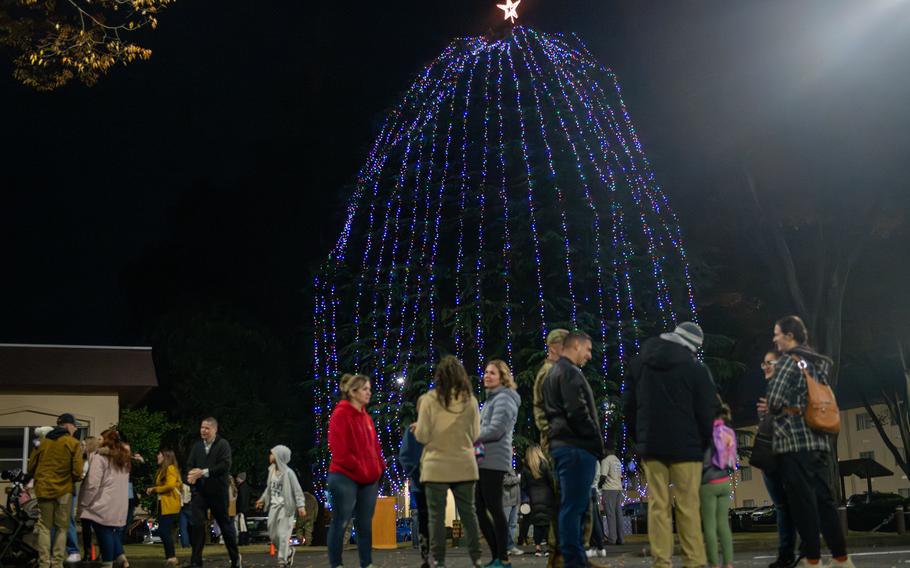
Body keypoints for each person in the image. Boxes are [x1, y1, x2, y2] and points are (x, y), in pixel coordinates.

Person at [623, 322, 717, 568]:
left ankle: (662, 562)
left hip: (652, 444)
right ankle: (693, 561)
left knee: (658, 505)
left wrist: (639, 437)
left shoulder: (640, 364)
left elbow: (629, 407)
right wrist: (704, 442)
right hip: (687, 445)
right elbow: (706, 411)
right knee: (688, 506)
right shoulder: (696, 369)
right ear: (693, 346)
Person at [766, 316, 854, 568]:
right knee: (825, 500)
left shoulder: (786, 363)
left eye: (777, 333)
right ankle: (841, 558)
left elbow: (774, 400)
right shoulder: (817, 362)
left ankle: (813, 560)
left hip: (794, 441)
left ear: (790, 336)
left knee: (802, 503)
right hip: (820, 439)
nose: (775, 338)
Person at [540, 330, 606, 568]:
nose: (589, 355)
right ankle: (574, 560)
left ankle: (575, 557)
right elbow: (577, 412)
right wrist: (596, 442)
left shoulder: (553, 374)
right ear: (576, 346)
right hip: (576, 447)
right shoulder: (568, 373)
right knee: (574, 507)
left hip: (564, 447)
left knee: (571, 506)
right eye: (587, 349)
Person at [413, 355, 484, 568]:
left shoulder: (428, 400)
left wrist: (418, 430)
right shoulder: (470, 401)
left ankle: (439, 560)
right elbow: (476, 435)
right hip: (464, 464)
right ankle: (476, 558)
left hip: (436, 466)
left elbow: (423, 436)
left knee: (436, 517)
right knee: (469, 514)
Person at [326, 373, 385, 568]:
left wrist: (378, 468)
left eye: (369, 388)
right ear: (353, 392)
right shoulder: (340, 414)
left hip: (368, 478)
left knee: (364, 524)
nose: (369, 392)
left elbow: (375, 446)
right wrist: (361, 468)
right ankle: (337, 564)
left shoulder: (366, 417)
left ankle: (366, 563)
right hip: (345, 476)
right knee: (341, 521)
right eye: (365, 389)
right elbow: (340, 450)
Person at [475, 359, 521, 567]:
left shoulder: (504, 398)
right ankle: (497, 556)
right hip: (484, 459)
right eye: (485, 372)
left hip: (494, 459)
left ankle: (502, 557)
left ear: (502, 377)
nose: (487, 375)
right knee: (481, 507)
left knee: (493, 507)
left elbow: (496, 430)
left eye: (492, 373)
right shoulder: (492, 399)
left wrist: (471, 437)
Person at [756, 349, 799, 568]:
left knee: (796, 505)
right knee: (782, 507)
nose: (766, 367)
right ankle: (786, 554)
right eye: (764, 364)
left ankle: (803, 552)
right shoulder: (769, 392)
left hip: (788, 457)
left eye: (770, 362)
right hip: (770, 459)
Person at [27, 412, 84, 568]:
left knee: (45, 527)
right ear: (67, 425)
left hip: (44, 489)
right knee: (62, 527)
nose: (75, 429)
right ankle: (57, 563)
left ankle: (44, 563)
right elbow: (78, 472)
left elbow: (31, 466)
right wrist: (71, 477)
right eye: (74, 426)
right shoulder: (73, 443)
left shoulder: (43, 443)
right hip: (64, 491)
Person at [185, 417, 242, 568]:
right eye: (202, 427)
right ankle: (196, 561)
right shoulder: (197, 447)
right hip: (200, 493)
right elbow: (190, 465)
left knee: (225, 525)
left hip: (218, 493)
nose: (203, 430)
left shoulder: (223, 445)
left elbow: (225, 465)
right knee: (197, 525)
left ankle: (235, 558)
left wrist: (202, 472)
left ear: (215, 430)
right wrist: (190, 476)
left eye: (207, 428)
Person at [78, 429, 130, 568]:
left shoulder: (100, 457)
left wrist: (84, 502)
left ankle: (107, 563)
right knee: (111, 531)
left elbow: (93, 484)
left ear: (107, 441)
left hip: (102, 501)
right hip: (118, 502)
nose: (98, 441)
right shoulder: (123, 458)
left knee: (103, 531)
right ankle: (120, 558)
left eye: (101, 439)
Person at [255, 445, 307, 567]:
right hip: (274, 506)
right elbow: (269, 488)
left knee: (283, 534)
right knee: (273, 535)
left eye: (272, 453)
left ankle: (282, 561)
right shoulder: (271, 470)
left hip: (286, 507)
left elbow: (297, 490)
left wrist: (301, 505)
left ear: (279, 456)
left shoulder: (289, 473)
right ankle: (288, 552)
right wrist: (262, 499)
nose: (270, 456)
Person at [701, 404, 735, 568]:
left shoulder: (709, 433)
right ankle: (728, 563)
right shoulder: (729, 432)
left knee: (709, 526)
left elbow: (705, 460)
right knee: (723, 524)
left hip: (709, 483)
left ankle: (714, 564)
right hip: (725, 482)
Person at [399, 413, 430, 568]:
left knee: (430, 518)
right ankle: (424, 553)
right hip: (419, 484)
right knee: (421, 518)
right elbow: (404, 456)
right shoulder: (412, 431)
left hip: (435, 483)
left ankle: (432, 554)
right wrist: (414, 472)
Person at [147, 449, 182, 566]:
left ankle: (171, 557)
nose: (157, 456)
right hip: (164, 505)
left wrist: (154, 489)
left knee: (164, 531)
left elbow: (171, 485)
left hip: (170, 505)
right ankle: (170, 557)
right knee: (163, 531)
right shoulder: (163, 469)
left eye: (159, 454)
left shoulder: (170, 468)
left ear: (165, 456)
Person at [520, 445, 555, 558]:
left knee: (537, 524)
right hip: (547, 497)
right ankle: (549, 548)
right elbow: (551, 481)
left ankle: (538, 548)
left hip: (533, 499)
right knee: (547, 524)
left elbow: (523, 485)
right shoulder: (544, 465)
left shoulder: (525, 468)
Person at [598, 448, 624, 546]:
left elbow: (603, 476)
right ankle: (621, 539)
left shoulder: (606, 460)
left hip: (609, 489)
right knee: (618, 514)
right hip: (618, 489)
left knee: (610, 515)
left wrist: (598, 486)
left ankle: (612, 539)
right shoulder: (617, 460)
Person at [585, 460, 606, 559]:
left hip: (585, 489)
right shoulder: (595, 460)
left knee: (585, 519)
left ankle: (587, 547)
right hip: (593, 489)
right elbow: (598, 476)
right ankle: (600, 547)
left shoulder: (581, 456)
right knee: (595, 518)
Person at [502, 470, 522, 557]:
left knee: (513, 524)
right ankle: (505, 547)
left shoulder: (512, 466)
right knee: (504, 524)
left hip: (515, 500)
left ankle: (511, 546)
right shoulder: (502, 466)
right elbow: (504, 481)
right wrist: (517, 479)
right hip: (506, 501)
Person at [235, 473, 251, 545]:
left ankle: (243, 541)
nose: (236, 479)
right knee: (244, 525)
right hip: (246, 509)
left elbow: (242, 499)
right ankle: (245, 540)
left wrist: (239, 509)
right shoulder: (246, 487)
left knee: (242, 526)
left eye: (238, 478)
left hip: (242, 510)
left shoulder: (241, 487)